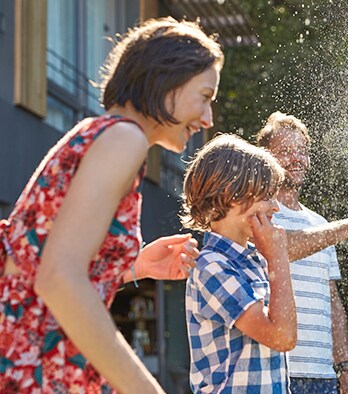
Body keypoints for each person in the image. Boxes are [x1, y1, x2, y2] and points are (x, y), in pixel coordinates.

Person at [0, 18, 223, 393]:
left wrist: (131, 266)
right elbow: (58, 279)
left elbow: (36, 262)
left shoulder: (102, 134)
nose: (207, 119)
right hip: (37, 370)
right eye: (204, 97)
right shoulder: (124, 139)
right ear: (167, 79)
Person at [256, 112, 348, 394]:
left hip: (323, 376)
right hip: (279, 372)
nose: (297, 159)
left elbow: (332, 302)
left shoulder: (320, 224)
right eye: (286, 152)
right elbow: (283, 248)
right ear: (266, 157)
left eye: (302, 152)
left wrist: (346, 372)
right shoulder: (260, 215)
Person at [181, 134, 295, 393]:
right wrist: (279, 258)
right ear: (231, 194)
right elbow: (282, 336)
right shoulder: (212, 266)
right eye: (266, 196)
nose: (275, 207)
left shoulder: (253, 260)